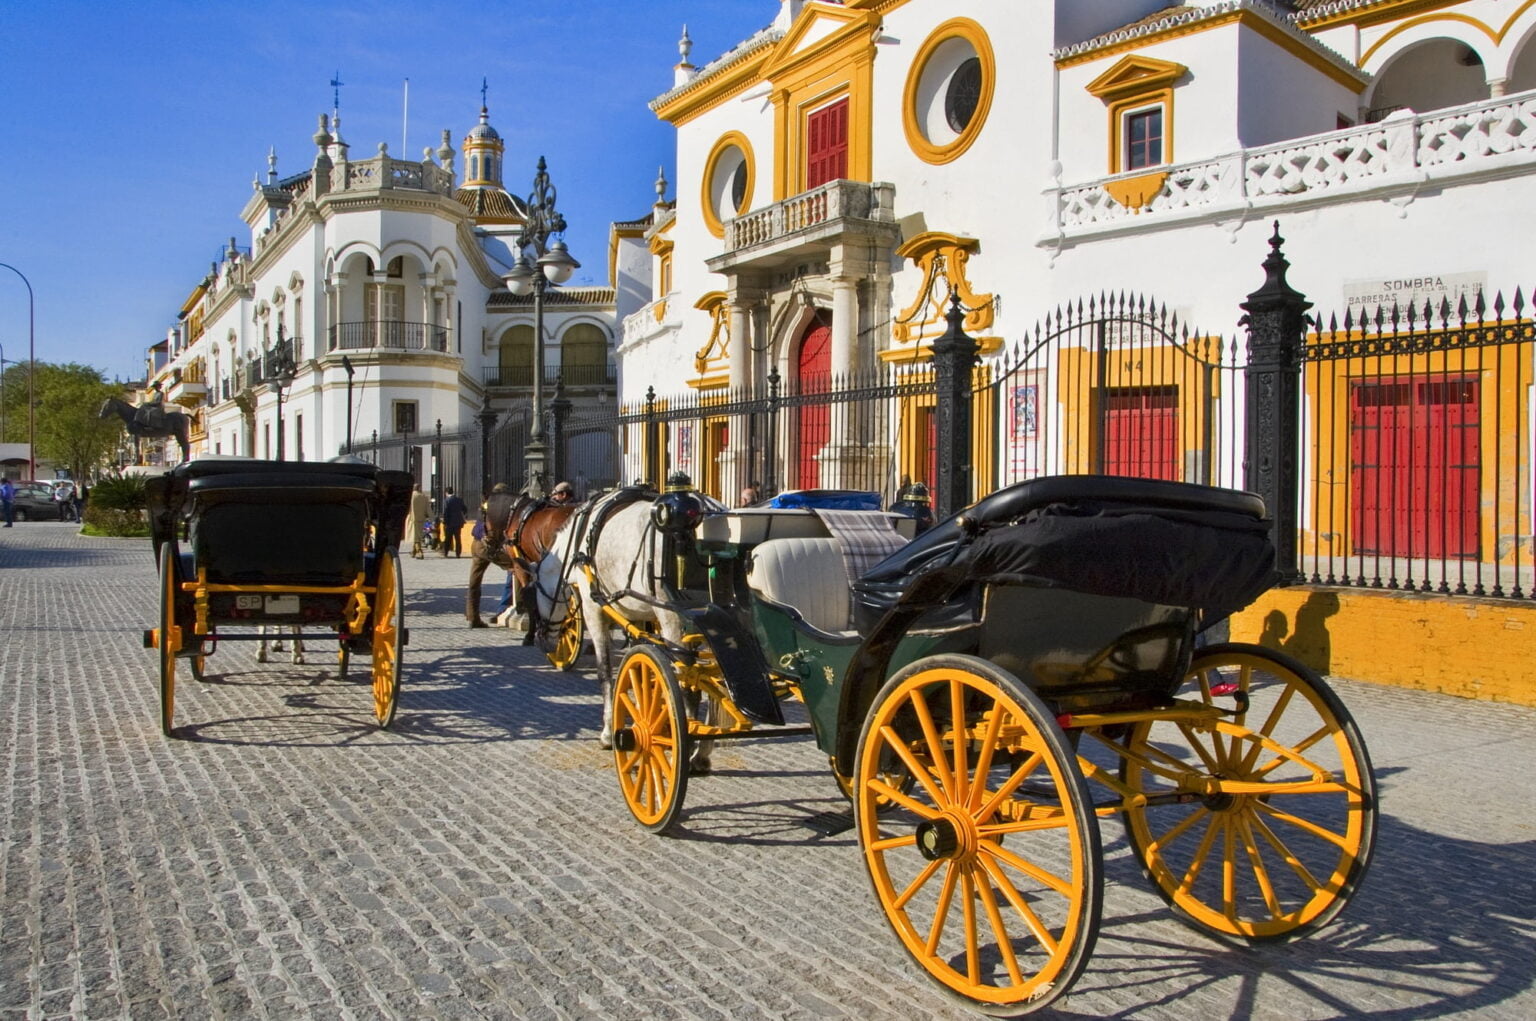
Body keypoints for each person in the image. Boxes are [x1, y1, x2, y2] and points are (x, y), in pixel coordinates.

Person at [466, 482, 519, 627]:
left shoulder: (485, 504)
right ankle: (519, 608)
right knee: (517, 567)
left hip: (476, 544)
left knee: (474, 581)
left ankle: (472, 617)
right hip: (488, 546)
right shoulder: (497, 507)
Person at [405, 483, 431, 560]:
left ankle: (419, 552)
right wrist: (431, 518)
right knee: (417, 535)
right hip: (421, 519)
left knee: (415, 536)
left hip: (413, 519)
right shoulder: (424, 496)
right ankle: (413, 551)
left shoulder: (410, 496)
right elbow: (428, 509)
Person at [441, 486, 468, 558]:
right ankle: (458, 553)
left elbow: (445, 512)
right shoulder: (459, 500)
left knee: (448, 538)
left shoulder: (446, 501)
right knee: (458, 538)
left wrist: (445, 522)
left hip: (449, 522)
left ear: (446, 493)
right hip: (458, 522)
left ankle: (446, 552)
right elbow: (465, 509)